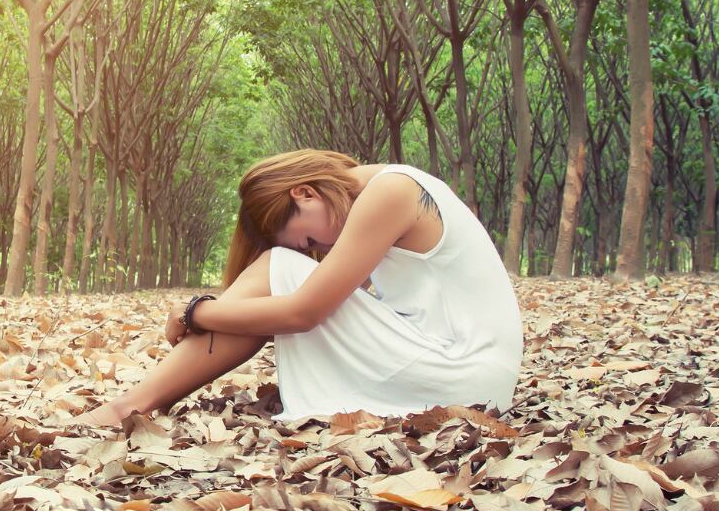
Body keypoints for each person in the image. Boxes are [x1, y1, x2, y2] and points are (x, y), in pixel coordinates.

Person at [81, 149, 523, 426]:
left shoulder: (391, 193)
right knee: (281, 271)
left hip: (463, 377)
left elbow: (303, 313)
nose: (321, 248)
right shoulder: (389, 188)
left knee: (279, 267)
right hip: (468, 372)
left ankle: (132, 405)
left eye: (309, 240)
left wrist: (195, 312)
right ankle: (141, 399)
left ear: (304, 193)